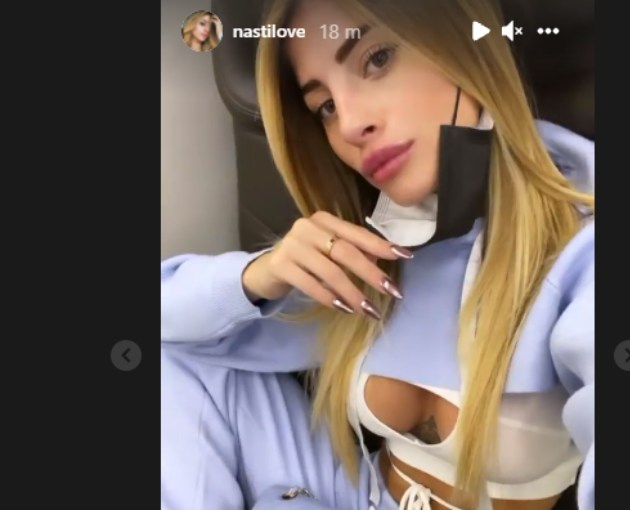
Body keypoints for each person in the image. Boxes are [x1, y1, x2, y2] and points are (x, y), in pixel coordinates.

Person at [161, 0, 594, 509]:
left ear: (466, 44)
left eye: (378, 59)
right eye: (325, 106)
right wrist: (262, 274)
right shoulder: (376, 245)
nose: (348, 125)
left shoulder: (580, 250)